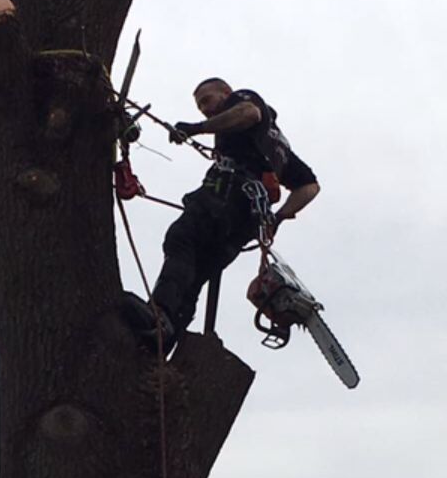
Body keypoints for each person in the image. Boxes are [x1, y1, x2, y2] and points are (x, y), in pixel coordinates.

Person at [123, 77, 320, 352]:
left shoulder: (244, 100)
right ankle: (163, 338)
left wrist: (197, 128)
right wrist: (279, 216)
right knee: (196, 273)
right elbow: (310, 186)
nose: (204, 109)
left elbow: (247, 113)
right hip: (244, 223)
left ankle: (159, 314)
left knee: (182, 238)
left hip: (224, 197)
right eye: (200, 107)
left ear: (226, 93)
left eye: (207, 100)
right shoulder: (276, 144)